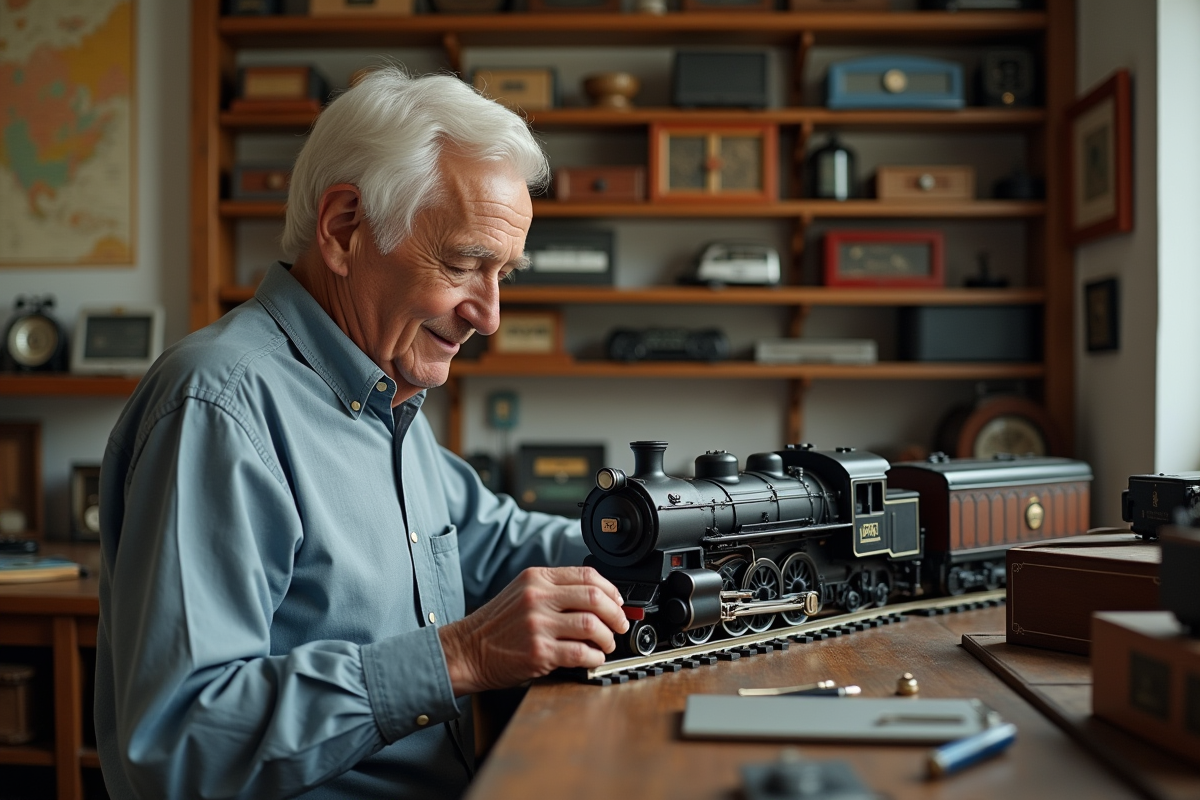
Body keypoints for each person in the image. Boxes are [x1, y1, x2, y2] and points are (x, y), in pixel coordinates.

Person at [95, 67, 629, 799]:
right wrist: (462, 657)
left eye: (504, 274)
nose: (490, 316)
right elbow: (180, 744)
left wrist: (681, 536)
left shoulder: (388, 399)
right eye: (465, 264)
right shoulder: (219, 408)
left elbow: (500, 543)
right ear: (344, 228)